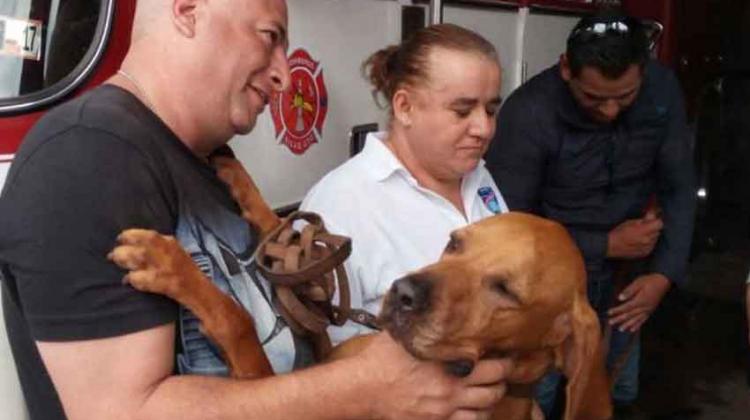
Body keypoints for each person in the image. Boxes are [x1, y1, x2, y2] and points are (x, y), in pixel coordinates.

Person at [0, 1, 512, 419]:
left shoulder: (209, 162)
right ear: (186, 10)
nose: (286, 77)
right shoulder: (88, 152)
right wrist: (365, 388)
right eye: (270, 37)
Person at [484, 11, 695, 417]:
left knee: (616, 391)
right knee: (536, 396)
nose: (611, 110)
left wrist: (663, 275)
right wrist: (605, 244)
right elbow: (509, 228)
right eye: (595, 98)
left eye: (625, 96)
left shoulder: (662, 90)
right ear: (567, 68)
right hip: (549, 287)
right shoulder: (529, 113)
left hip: (626, 287)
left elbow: (679, 187)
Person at [300, 23, 508, 344]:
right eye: (462, 110)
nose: (483, 127)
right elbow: (326, 357)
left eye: (491, 109)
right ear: (404, 107)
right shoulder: (341, 205)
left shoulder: (479, 175)